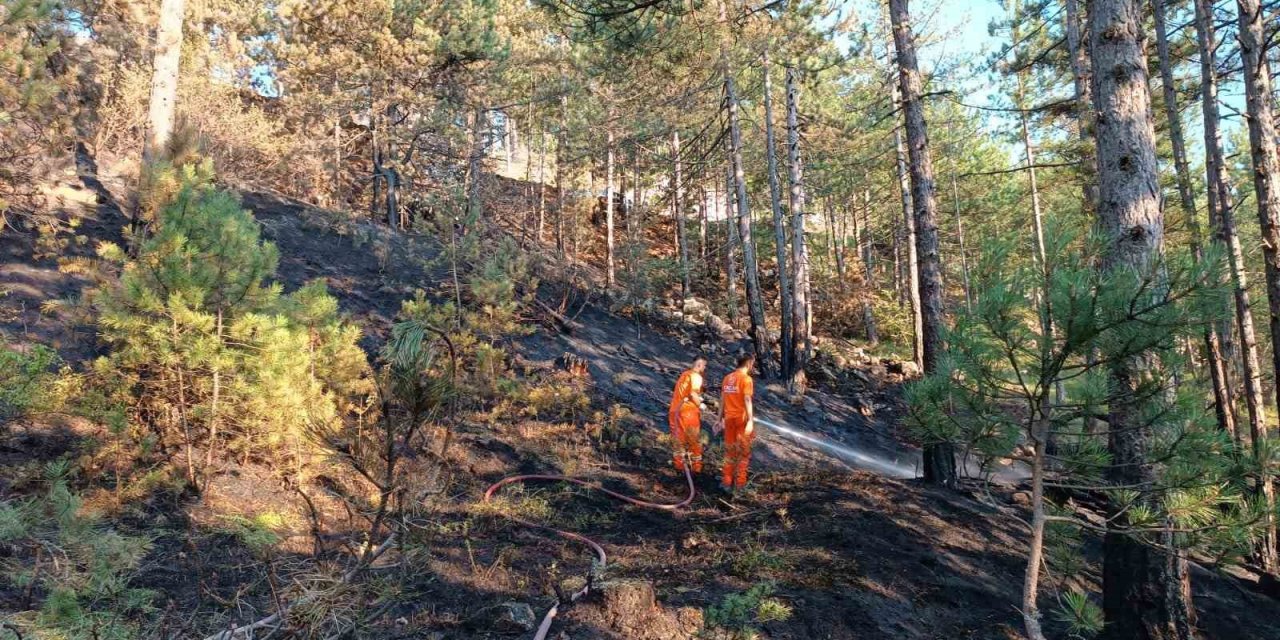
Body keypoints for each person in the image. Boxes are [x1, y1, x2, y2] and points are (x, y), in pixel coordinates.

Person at [716, 353, 756, 493]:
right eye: (752, 364)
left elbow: (722, 400)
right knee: (743, 452)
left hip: (729, 419)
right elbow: (747, 399)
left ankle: (726, 482)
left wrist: (718, 419)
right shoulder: (746, 379)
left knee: (730, 451)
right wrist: (750, 420)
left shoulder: (727, 378)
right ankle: (740, 484)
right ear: (749, 364)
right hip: (741, 420)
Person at [668, 356, 707, 473]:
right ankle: (696, 468)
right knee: (693, 439)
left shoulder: (685, 374)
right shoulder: (696, 376)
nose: (705, 368)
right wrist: (700, 404)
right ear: (699, 365)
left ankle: (679, 467)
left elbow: (685, 392)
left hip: (675, 410)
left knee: (678, 438)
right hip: (687, 412)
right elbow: (693, 393)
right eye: (704, 365)